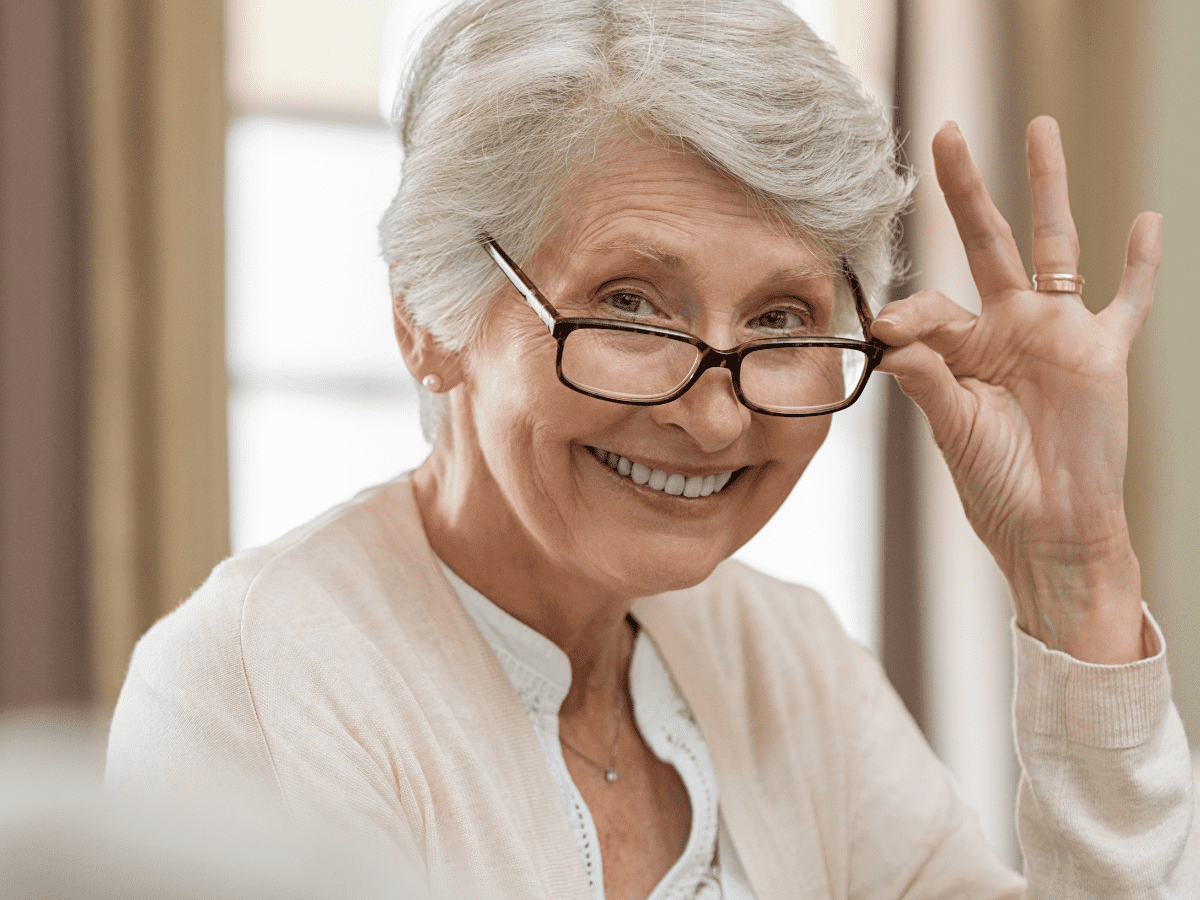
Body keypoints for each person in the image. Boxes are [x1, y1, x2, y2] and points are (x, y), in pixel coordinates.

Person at [107, 1, 1199, 898]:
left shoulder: (786, 657)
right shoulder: (252, 689)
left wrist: (1077, 577)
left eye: (779, 319)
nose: (716, 420)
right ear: (426, 322)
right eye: (630, 307)